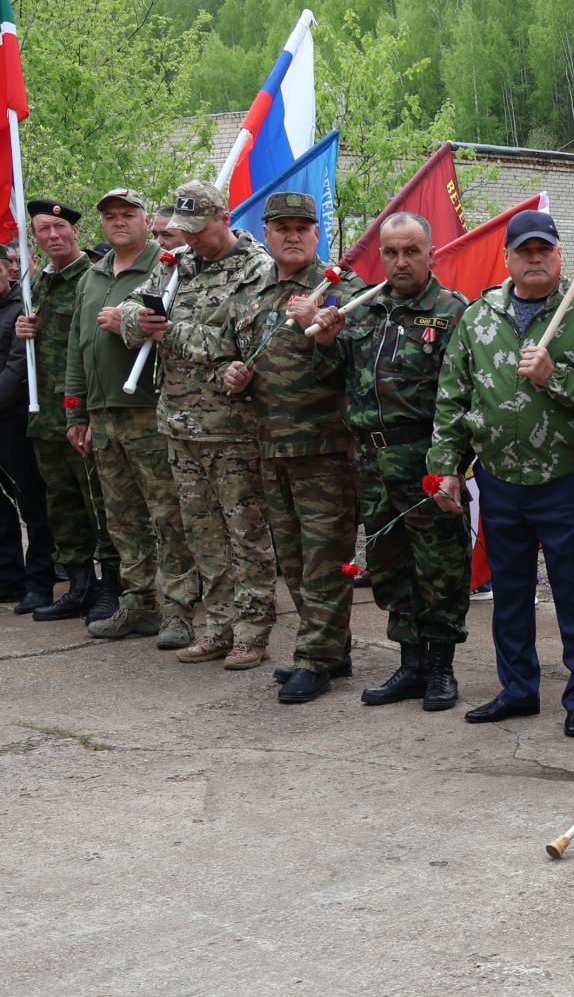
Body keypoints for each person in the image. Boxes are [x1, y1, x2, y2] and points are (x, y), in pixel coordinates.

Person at [426, 208, 574, 738]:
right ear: (506, 258)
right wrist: (446, 469)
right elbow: (452, 398)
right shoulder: (478, 318)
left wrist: (557, 378)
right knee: (509, 593)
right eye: (524, 251)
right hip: (500, 479)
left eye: (544, 250)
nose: (534, 259)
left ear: (559, 257)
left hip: (567, 479)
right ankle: (517, 689)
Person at [318, 211, 470, 711]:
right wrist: (323, 337)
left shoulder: (452, 312)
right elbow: (332, 371)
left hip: (425, 456)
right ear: (379, 255)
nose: (400, 262)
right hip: (371, 457)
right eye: (390, 252)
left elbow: (463, 393)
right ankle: (409, 664)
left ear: (431, 254)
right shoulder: (363, 309)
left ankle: (440, 668)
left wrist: (453, 465)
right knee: (389, 563)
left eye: (411, 251)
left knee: (439, 564)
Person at [122, 181, 277, 670]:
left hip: (230, 427)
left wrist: (170, 330)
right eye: (181, 232)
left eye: (198, 230)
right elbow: (131, 307)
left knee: (245, 534)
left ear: (223, 217)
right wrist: (136, 322)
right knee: (202, 533)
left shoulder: (256, 268)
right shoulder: (178, 264)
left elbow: (246, 340)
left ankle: (252, 631)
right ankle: (219, 626)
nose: (190, 240)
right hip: (178, 424)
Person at [217, 193, 364, 701]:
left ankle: (314, 658)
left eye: (304, 226)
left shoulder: (340, 289)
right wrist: (230, 374)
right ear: (268, 233)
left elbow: (357, 364)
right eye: (282, 227)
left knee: (326, 557)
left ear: (317, 234)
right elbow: (229, 355)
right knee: (294, 560)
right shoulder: (249, 294)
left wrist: (317, 328)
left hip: (325, 448)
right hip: (270, 446)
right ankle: (330, 646)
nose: (293, 235)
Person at [62, 189, 199, 646]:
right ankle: (137, 603)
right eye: (110, 216)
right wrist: (75, 409)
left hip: (149, 410)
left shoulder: (168, 267)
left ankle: (178, 610)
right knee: (122, 518)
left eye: (128, 214)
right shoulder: (93, 274)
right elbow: (76, 348)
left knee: (168, 514)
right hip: (103, 415)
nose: (118, 222)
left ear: (145, 220)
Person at [12, 200, 116, 622]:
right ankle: (79, 586)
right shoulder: (37, 281)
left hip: (80, 410)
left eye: (59, 227)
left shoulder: (92, 278)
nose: (52, 236)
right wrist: (25, 330)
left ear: (75, 231)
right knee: (63, 505)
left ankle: (113, 587)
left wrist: (86, 413)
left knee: (100, 503)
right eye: (43, 229)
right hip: (45, 415)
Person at [0, 262, 55, 612]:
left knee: (32, 505)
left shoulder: (22, 311)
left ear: (6, 271)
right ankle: (8, 578)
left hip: (14, 422)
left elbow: (18, 368)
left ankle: (39, 580)